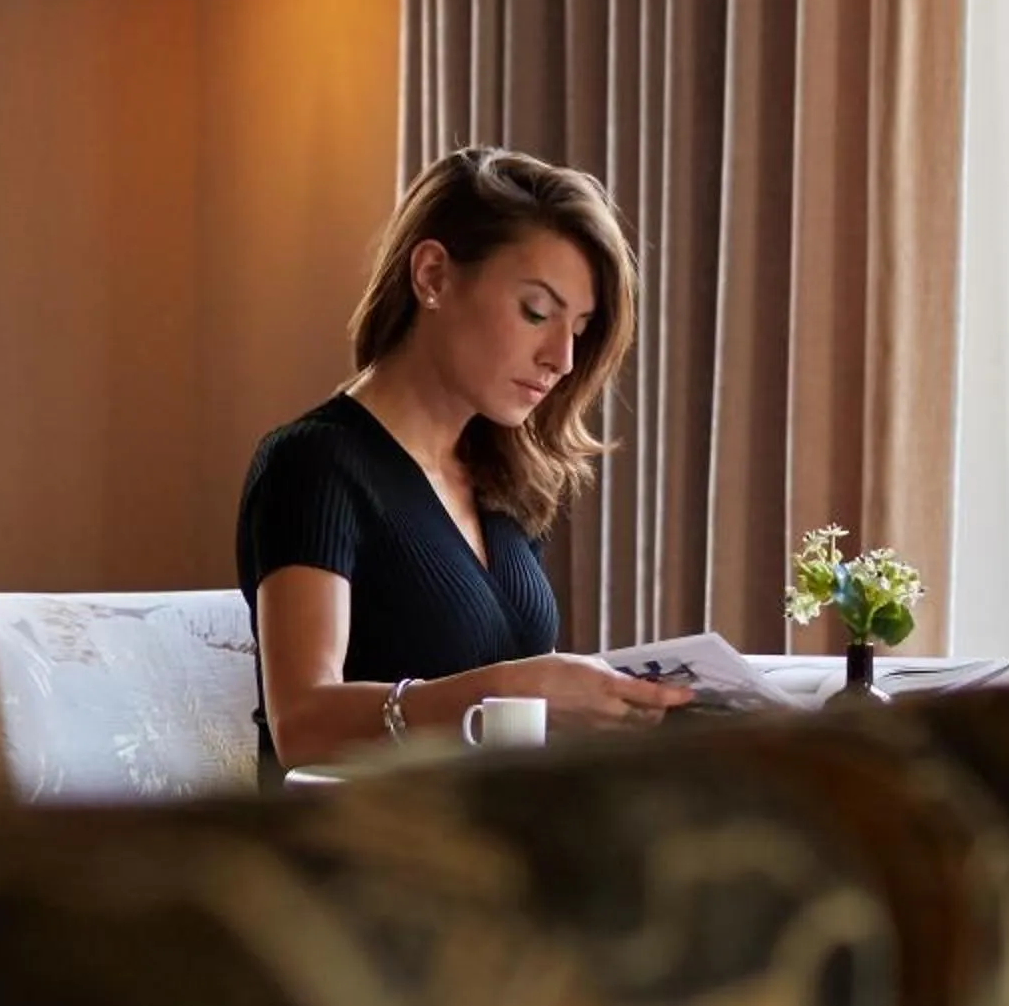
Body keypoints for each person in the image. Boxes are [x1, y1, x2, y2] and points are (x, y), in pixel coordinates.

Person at [237, 146, 690, 778]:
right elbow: (303, 724)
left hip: (499, 837)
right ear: (433, 276)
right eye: (536, 312)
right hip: (361, 849)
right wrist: (510, 690)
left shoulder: (502, 481)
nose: (561, 357)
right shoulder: (313, 464)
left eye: (579, 328)